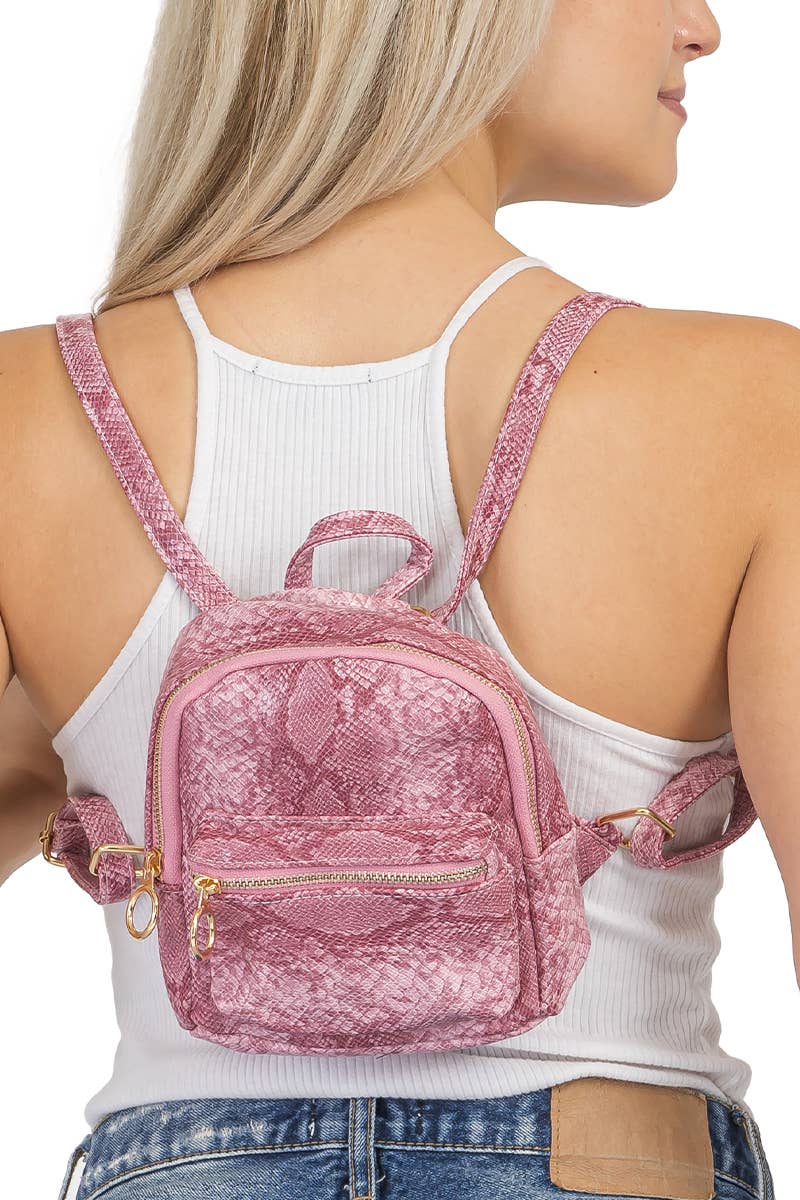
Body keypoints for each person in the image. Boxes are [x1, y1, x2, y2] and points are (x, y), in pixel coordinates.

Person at [0, 0, 792, 1196]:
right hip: (604, 1154)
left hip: (184, 1165)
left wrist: (93, 740)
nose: (702, 27)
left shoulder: (30, 409)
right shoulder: (746, 400)